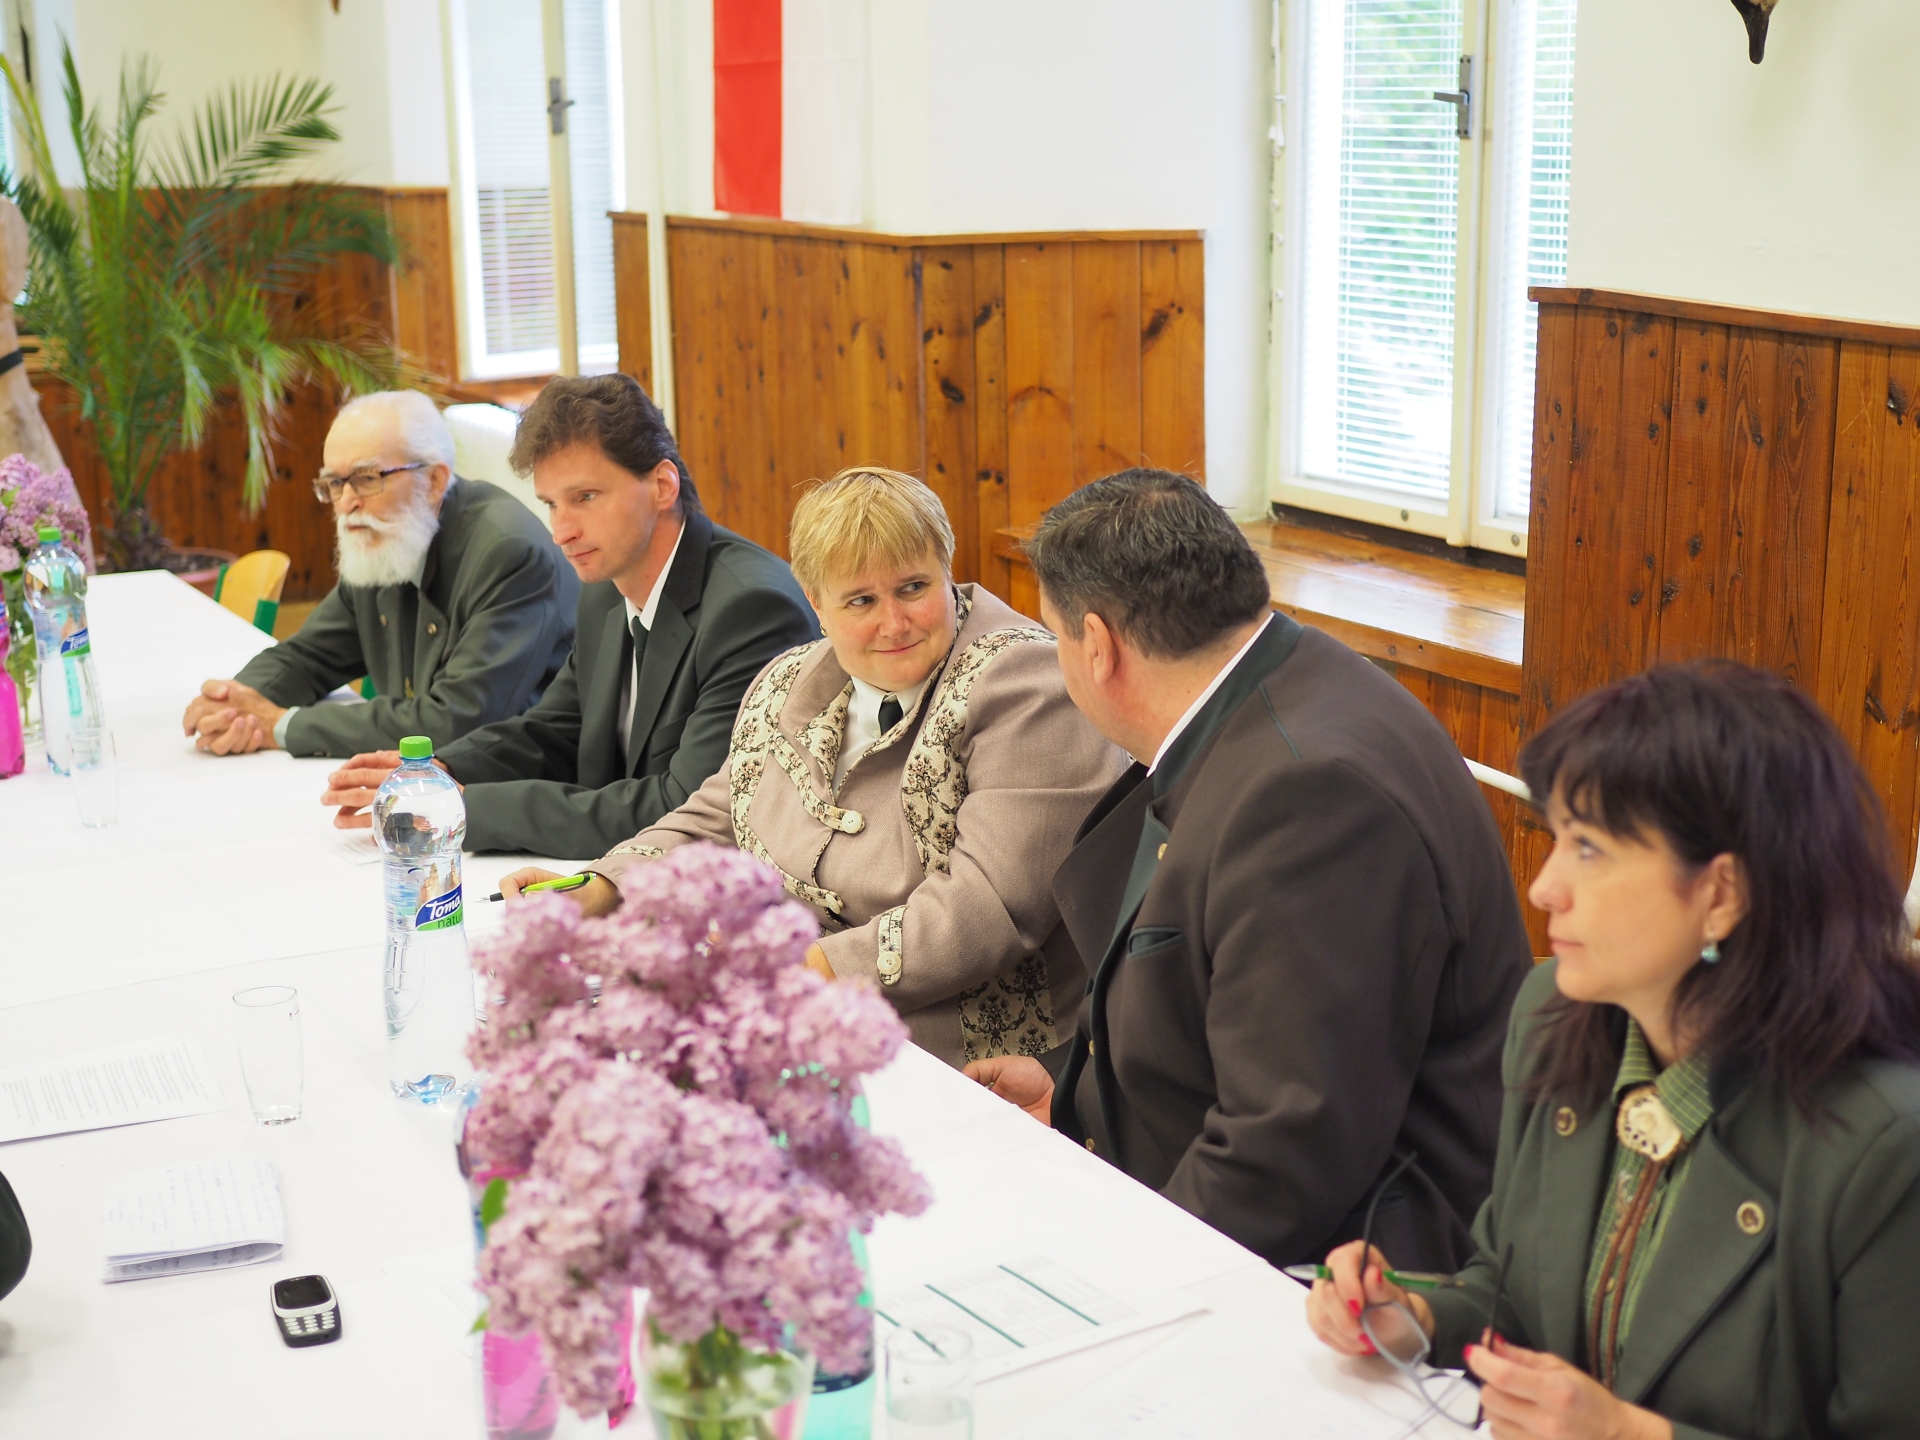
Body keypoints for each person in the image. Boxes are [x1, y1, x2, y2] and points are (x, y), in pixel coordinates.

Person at [1307, 661, 1920, 1440]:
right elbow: (1512, 1288)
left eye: (1590, 849)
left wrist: (1627, 1434)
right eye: (1556, 839)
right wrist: (1414, 1314)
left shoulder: (1885, 1146)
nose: (1544, 888)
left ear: (1721, 895)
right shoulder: (1554, 1019)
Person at [966, 469, 1531, 1272]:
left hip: (1355, 1271)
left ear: (1097, 645)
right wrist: (1077, 1092)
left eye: (1054, 637)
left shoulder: (1309, 797)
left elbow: (1287, 1149)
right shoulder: (1273, 683)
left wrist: (1123, 1279)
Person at [499, 466, 1125, 1067]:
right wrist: (602, 887)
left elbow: (984, 909)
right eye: (860, 600)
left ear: (948, 572)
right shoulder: (788, 679)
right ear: (816, 605)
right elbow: (721, 815)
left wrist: (797, 971)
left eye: (914, 587)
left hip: (959, 1056)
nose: (894, 622)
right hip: (797, 1023)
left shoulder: (1027, 683)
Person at [317, 375, 817, 859]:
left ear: (662, 485)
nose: (561, 532)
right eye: (551, 505)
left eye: (585, 498)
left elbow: (685, 810)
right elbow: (555, 730)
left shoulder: (750, 610)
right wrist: (441, 771)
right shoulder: (604, 589)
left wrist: (466, 810)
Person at [181, 390, 577, 758]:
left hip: (515, 779)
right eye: (335, 483)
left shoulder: (508, 554)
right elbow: (309, 655)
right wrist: (235, 702)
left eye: (367, 479)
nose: (346, 503)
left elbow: (456, 721)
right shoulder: (387, 540)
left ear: (433, 481)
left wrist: (281, 725)